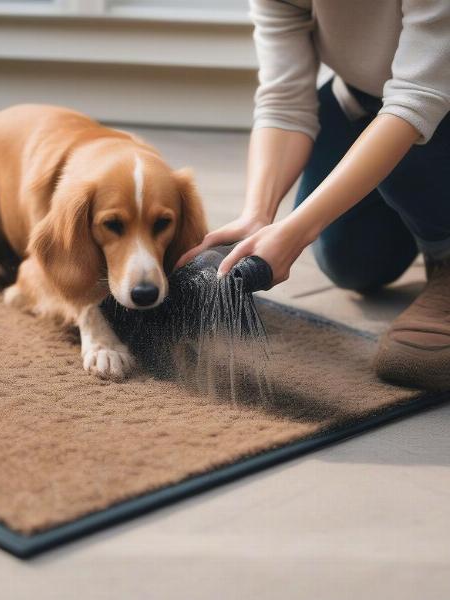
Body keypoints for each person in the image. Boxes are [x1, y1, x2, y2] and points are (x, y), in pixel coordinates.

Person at [177, 0, 450, 392]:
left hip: (435, 98)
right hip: (365, 98)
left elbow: (417, 99)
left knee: (409, 127)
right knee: (352, 262)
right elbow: (283, 102)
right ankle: (421, 215)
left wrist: (297, 231)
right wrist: (258, 213)